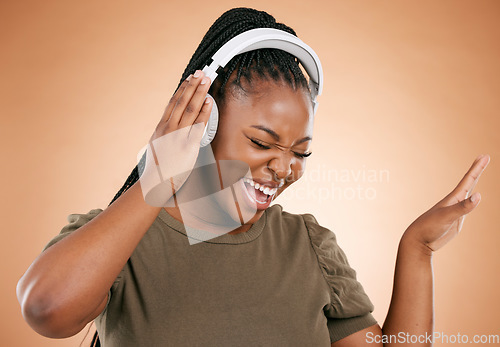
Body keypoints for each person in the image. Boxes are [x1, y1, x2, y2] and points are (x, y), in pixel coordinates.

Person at [16, 7, 490, 347]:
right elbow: (47, 311)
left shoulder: (306, 245)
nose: (284, 167)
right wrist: (159, 173)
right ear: (204, 126)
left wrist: (418, 250)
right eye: (263, 144)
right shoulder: (122, 239)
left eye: (300, 152)